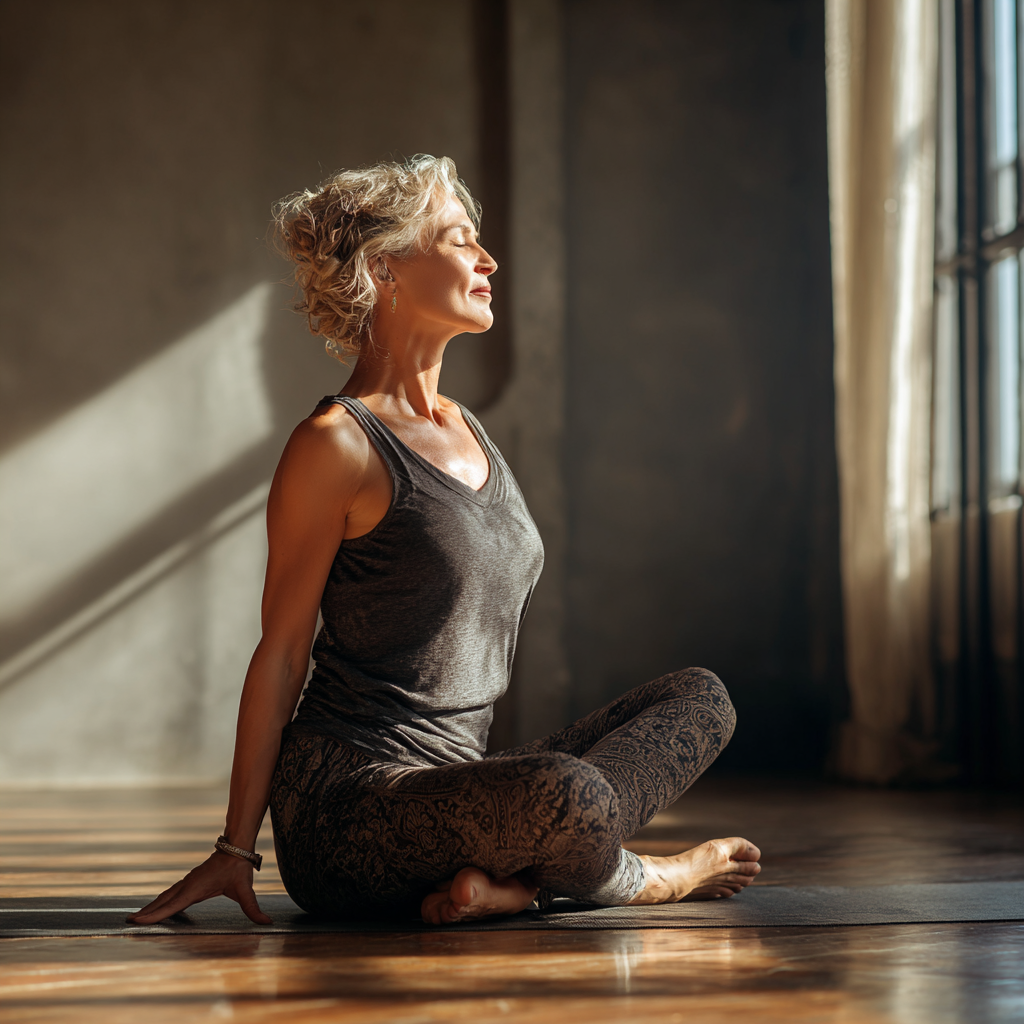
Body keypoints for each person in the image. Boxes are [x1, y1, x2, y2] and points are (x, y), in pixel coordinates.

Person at [129, 155, 760, 927]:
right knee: (568, 795)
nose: (489, 259)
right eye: (461, 240)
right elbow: (284, 652)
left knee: (699, 698)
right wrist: (236, 849)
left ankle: (502, 887)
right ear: (384, 267)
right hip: (348, 809)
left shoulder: (470, 430)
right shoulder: (336, 445)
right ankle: (640, 879)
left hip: (461, 785)